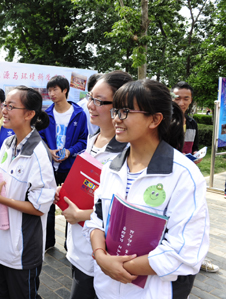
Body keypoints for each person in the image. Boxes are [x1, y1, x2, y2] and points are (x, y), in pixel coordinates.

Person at [84, 79, 210, 298]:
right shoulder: (111, 168)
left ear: (155, 119)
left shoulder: (183, 175)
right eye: (115, 110)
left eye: (125, 112)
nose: (116, 119)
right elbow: (96, 218)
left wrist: (118, 267)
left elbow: (183, 251)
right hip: (105, 289)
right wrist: (101, 257)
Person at [55, 71, 131, 299]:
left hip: (104, 256)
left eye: (99, 101)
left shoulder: (129, 152)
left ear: (121, 107)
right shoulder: (92, 140)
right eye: (90, 97)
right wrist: (66, 191)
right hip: (79, 249)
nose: (90, 105)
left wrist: (83, 214)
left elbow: (129, 210)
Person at [0, 86, 56, 298]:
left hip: (21, 250)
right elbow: (3, 176)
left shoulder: (39, 155)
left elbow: (39, 207)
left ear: (29, 114)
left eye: (11, 106)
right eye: (5, 104)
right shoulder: (7, 143)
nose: (4, 110)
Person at [172, 81, 219, 273]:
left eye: (186, 98)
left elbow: (196, 148)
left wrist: (196, 157)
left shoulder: (192, 123)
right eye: (177, 98)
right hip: (170, 176)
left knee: (193, 217)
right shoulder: (162, 120)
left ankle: (196, 258)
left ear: (191, 100)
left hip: (189, 176)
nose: (182, 102)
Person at [39, 75, 88, 250]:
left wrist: (69, 151)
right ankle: (48, 242)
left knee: (70, 204)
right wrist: (49, 150)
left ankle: (70, 245)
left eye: (55, 90)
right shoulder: (46, 114)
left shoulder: (79, 114)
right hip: (50, 166)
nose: (51, 94)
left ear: (65, 90)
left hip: (70, 167)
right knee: (49, 202)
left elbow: (83, 140)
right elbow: (41, 137)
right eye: (49, 90)